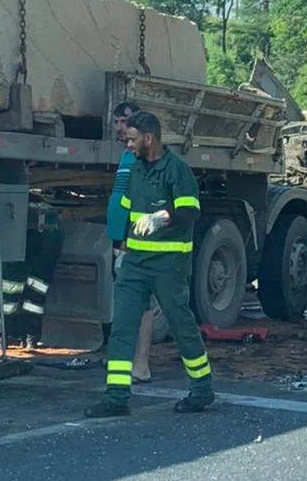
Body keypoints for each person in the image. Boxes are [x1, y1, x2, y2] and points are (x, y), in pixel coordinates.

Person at [85, 111, 214, 417]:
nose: (127, 145)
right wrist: (122, 249)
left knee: (182, 326)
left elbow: (191, 211)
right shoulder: (136, 172)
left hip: (170, 264)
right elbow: (129, 215)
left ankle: (202, 390)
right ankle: (116, 397)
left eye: (131, 139)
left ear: (148, 138)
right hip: (136, 264)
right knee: (122, 328)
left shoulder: (177, 171)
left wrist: (162, 217)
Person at [105, 101, 155, 383]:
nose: (119, 128)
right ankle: (126, 361)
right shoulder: (127, 155)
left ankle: (141, 364)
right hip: (120, 238)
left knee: (140, 303)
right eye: (116, 122)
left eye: (123, 121)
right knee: (126, 301)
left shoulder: (144, 156)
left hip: (134, 241)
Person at [0, 201, 65, 350]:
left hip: (25, 227)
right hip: (52, 226)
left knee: (10, 285)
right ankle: (30, 337)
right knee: (38, 288)